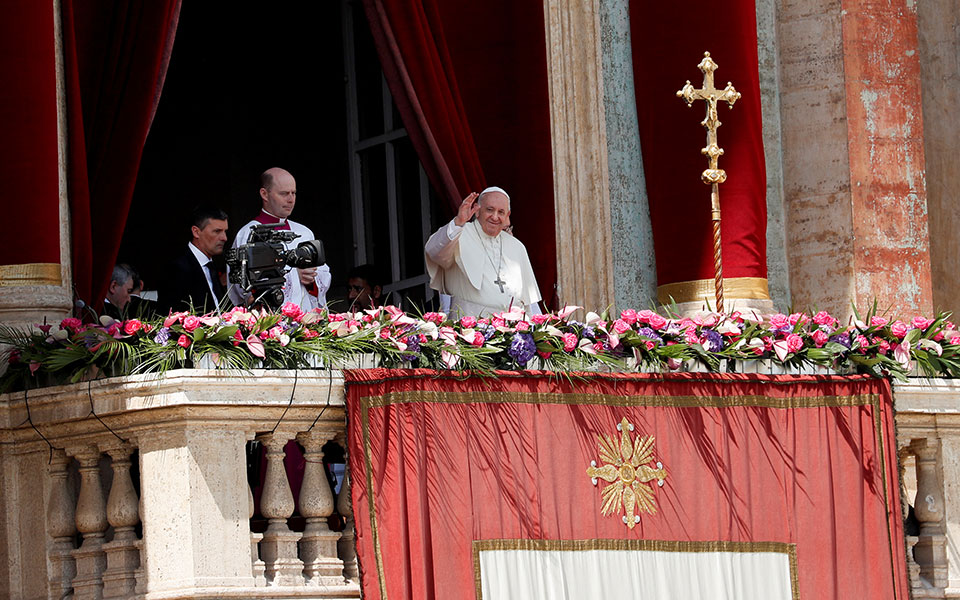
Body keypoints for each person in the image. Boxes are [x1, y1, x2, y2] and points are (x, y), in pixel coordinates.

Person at [424, 186, 541, 317]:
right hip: (470, 327)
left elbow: (527, 302)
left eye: (501, 212)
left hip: (512, 330)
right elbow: (434, 251)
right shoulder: (459, 233)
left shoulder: (517, 246)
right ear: (477, 211)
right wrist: (459, 221)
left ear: (507, 216)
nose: (495, 217)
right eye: (490, 210)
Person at [228, 167, 331, 310]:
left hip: (306, 316)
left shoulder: (304, 232)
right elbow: (241, 285)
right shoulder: (249, 234)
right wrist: (295, 275)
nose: (291, 200)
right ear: (264, 194)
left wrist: (311, 280)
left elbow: (323, 272)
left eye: (293, 193)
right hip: (271, 321)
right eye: (284, 194)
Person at [156, 205, 231, 315]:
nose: (224, 238)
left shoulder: (211, 266)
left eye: (225, 231)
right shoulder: (176, 268)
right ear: (196, 232)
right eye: (217, 231)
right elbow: (170, 316)